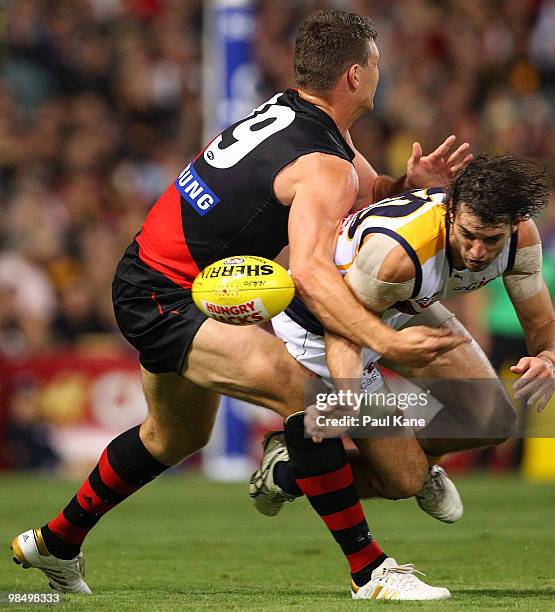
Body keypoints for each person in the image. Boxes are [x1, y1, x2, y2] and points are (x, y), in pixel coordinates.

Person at [11, 9, 470, 599]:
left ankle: (54, 544)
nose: (383, 72)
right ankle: (371, 571)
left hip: (152, 277)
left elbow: (365, 190)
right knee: (310, 395)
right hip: (168, 294)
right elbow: (306, 267)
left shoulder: (299, 117)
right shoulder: (323, 162)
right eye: (377, 62)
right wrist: (385, 340)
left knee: (169, 439)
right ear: (354, 76)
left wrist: (407, 184)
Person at [250, 154, 554, 599]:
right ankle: (291, 470)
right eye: (468, 235)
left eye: (491, 240)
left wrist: (547, 356)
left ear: (512, 226)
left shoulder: (520, 239)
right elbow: (343, 324)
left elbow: (540, 322)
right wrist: (353, 396)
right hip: (327, 326)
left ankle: (360, 457)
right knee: (402, 480)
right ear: (450, 211)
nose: (476, 252)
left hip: (403, 305)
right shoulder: (397, 255)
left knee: (493, 420)